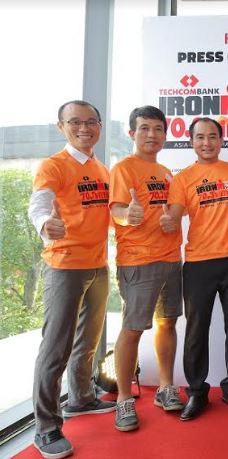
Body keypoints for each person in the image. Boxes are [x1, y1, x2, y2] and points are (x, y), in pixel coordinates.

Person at [28, 100, 115, 458]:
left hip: (98, 265)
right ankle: (46, 427)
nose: (84, 128)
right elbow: (39, 204)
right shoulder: (54, 165)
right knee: (56, 348)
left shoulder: (101, 169)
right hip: (65, 265)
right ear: (60, 126)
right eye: (75, 122)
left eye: (91, 122)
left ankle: (81, 399)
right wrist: (44, 224)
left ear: (99, 127)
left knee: (87, 341)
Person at [166, 117, 228, 421]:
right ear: (191, 142)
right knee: (196, 330)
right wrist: (168, 219)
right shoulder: (183, 179)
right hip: (199, 263)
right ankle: (196, 392)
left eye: (212, 136)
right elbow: (175, 213)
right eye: (200, 137)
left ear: (221, 140)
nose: (206, 142)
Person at [109, 106, 183, 431]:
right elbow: (117, 209)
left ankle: (166, 387)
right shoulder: (123, 169)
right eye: (144, 128)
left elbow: (173, 210)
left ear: (165, 135)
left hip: (171, 258)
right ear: (132, 133)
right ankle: (124, 398)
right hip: (138, 260)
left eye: (157, 129)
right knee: (133, 328)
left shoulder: (166, 173)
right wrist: (128, 216)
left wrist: (172, 220)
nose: (151, 134)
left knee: (168, 323)